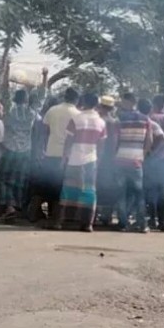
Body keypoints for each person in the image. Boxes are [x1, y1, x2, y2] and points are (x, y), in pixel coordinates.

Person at [53, 93, 106, 231]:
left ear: (83, 102)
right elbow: (101, 144)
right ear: (97, 104)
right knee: (89, 192)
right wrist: (98, 161)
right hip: (91, 160)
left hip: (74, 159)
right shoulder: (101, 122)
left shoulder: (76, 118)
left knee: (68, 190)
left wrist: (64, 157)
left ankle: (59, 222)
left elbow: (69, 140)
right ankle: (87, 224)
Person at [41, 88, 81, 226]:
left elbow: (44, 132)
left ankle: (51, 215)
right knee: (65, 187)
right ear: (77, 99)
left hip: (51, 153)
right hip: (69, 156)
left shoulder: (52, 110)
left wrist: (44, 148)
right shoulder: (78, 114)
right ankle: (61, 217)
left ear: (65, 97)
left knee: (51, 185)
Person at [0, 89, 36, 221]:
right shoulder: (32, 113)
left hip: (10, 149)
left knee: (2, 179)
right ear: (26, 100)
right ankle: (18, 208)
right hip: (26, 150)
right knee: (20, 180)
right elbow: (42, 96)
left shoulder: (10, 112)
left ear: (15, 99)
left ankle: (9, 207)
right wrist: (44, 77)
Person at [115, 92, 152, 233]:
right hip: (136, 162)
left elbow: (116, 140)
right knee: (139, 194)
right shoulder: (145, 119)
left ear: (130, 102)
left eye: (124, 101)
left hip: (120, 160)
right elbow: (149, 141)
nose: (122, 104)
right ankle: (142, 224)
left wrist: (115, 155)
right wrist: (142, 155)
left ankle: (123, 224)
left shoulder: (120, 119)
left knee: (121, 193)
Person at [138, 98, 164, 229]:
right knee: (156, 191)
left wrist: (152, 153)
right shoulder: (150, 121)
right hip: (160, 160)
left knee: (152, 190)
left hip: (155, 162)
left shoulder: (150, 122)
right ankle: (158, 221)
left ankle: (156, 220)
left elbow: (163, 139)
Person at [95, 96, 119, 226]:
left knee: (97, 186)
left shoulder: (100, 120)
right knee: (109, 187)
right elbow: (116, 141)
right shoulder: (115, 121)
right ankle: (107, 215)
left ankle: (95, 214)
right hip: (112, 158)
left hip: (100, 157)